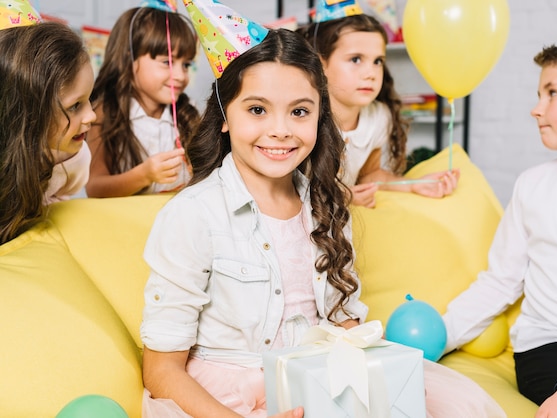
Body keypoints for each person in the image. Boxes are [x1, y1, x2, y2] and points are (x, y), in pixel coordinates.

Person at [140, 24, 505, 418]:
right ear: (225, 116)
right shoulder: (193, 215)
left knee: (454, 406)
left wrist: (381, 380)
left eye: (299, 111)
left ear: (319, 115)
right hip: (230, 399)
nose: (280, 131)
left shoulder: (325, 204)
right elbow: (161, 370)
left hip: (322, 378)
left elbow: (341, 322)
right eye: (257, 109)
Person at [442, 38, 557, 417]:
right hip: (549, 348)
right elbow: (501, 281)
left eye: (552, 93)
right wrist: (438, 334)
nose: (536, 109)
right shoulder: (531, 184)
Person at [298, 14, 459, 208]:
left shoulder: (378, 117)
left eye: (378, 61)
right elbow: (288, 186)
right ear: (321, 63)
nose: (371, 73)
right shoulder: (301, 116)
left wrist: (413, 185)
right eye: (356, 59)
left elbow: (369, 175)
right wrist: (339, 198)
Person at [86, 6, 200, 197]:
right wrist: (144, 175)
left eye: (186, 64)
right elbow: (95, 188)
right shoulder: (104, 114)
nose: (181, 75)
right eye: (167, 62)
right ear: (129, 59)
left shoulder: (189, 115)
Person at [0, 21, 96, 245]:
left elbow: (57, 209)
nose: (92, 116)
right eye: (75, 106)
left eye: (88, 99)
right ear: (29, 112)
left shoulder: (76, 158)